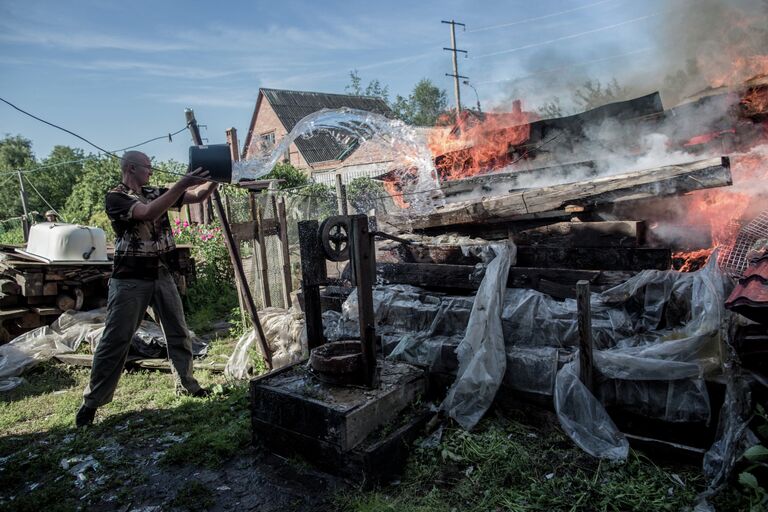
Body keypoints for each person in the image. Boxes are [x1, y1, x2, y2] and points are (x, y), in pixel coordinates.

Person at [76, 151, 218, 427]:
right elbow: (148, 212)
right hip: (130, 279)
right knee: (116, 340)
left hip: (161, 273)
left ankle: (187, 386)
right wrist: (182, 183)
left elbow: (198, 197)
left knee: (178, 332)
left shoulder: (154, 191)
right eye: (147, 168)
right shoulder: (116, 197)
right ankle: (92, 403)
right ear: (131, 168)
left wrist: (217, 178)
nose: (151, 172)